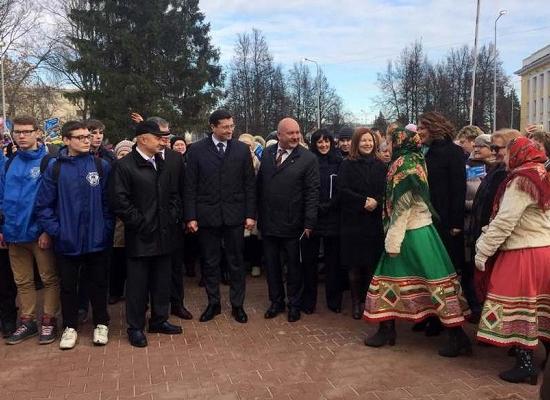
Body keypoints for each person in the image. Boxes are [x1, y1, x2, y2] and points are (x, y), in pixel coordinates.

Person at [364, 127, 470, 357]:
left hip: (409, 233)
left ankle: (455, 336)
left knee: (390, 281)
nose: (388, 146)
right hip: (422, 231)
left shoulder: (404, 165)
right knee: (432, 281)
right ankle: (390, 329)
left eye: (391, 142)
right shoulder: (415, 159)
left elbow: (403, 206)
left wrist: (392, 240)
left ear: (400, 142)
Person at [475, 136, 550, 385]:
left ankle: (525, 364)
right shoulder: (542, 173)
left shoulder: (521, 181)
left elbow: (506, 221)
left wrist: (483, 250)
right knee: (541, 308)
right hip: (544, 250)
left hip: (522, 252)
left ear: (517, 153)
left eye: (506, 152)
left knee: (520, 308)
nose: (503, 157)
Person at [36, 120, 114, 350]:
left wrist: (105, 228)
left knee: (99, 284)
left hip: (97, 239)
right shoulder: (55, 167)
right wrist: (57, 232)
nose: (86, 140)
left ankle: (101, 323)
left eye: (87, 136)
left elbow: (108, 204)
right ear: (67, 140)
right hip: (67, 241)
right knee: (68, 286)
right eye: (80, 137)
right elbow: (44, 205)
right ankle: (70, 327)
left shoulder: (101, 166)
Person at [110, 120, 182, 348]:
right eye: (158, 137)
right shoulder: (125, 166)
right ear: (142, 139)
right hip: (140, 237)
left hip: (164, 234)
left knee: (162, 282)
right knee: (137, 286)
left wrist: (171, 216)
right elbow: (119, 201)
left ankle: (160, 320)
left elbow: (173, 194)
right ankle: (135, 327)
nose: (163, 141)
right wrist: (141, 224)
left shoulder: (162, 163)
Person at [184, 110, 256, 324]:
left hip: (235, 216)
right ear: (213, 126)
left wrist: (250, 214)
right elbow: (190, 187)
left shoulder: (242, 150)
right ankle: (213, 304)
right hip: (207, 217)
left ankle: (237, 305)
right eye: (225, 126)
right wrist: (191, 216)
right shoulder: (196, 150)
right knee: (210, 262)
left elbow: (249, 185)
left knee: (236, 262)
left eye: (232, 126)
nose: (230, 130)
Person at [0, 115, 60, 345]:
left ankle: (48, 320)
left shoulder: (48, 161)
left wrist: (47, 231)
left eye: (26, 131)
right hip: (13, 234)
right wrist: (2, 228)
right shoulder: (10, 161)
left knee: (48, 279)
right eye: (17, 132)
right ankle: (28, 321)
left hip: (38, 234)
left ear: (37, 133)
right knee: (22, 281)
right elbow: (4, 198)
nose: (22, 136)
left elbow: (53, 200)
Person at [257, 117, 319, 323]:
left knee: (294, 268)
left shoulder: (308, 158)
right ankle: (276, 302)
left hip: (295, 225)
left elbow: (312, 193)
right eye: (290, 133)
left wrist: (309, 222)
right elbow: (259, 187)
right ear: (279, 135)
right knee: (272, 267)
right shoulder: (266, 154)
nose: (295, 136)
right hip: (269, 224)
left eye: (297, 132)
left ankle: (294, 304)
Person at [416, 111, 466, 336]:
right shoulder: (425, 153)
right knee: (428, 270)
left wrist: (456, 222)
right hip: (427, 219)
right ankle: (431, 315)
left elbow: (459, 188)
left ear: (433, 127)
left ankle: (449, 321)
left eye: (421, 127)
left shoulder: (453, 153)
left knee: (443, 273)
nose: (418, 132)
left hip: (445, 222)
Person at [338, 128, 387, 319]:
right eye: (363, 141)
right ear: (356, 143)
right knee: (354, 266)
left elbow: (386, 190)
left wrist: (376, 201)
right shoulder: (347, 165)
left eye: (370, 140)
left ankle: (369, 300)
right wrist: (362, 201)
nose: (367, 144)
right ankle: (356, 302)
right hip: (353, 222)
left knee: (370, 265)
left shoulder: (381, 165)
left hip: (373, 223)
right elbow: (342, 190)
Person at [147, 117, 193, 321]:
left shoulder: (175, 158)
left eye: (167, 134)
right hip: (149, 224)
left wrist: (186, 217)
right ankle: (155, 308)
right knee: (153, 269)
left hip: (173, 223)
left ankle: (177, 304)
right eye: (161, 135)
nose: (165, 138)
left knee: (175, 267)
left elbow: (185, 189)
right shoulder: (142, 158)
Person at [301, 129, 344, 314]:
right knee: (309, 263)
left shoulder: (339, 162)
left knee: (333, 263)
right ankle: (308, 301)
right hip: (313, 217)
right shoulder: (309, 161)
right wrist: (315, 208)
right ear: (314, 144)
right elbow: (304, 188)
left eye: (326, 141)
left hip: (333, 217)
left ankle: (334, 300)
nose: (323, 145)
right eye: (319, 142)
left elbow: (343, 188)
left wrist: (330, 205)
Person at [108, 140, 134, 305]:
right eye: (121, 154)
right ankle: (115, 292)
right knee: (116, 263)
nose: (124, 157)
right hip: (117, 225)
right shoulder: (112, 172)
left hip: (133, 224)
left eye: (127, 154)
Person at [238, 133, 262, 278]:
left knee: (254, 237)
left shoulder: (258, 162)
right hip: (237, 203)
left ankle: (255, 264)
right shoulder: (233, 159)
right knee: (238, 238)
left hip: (253, 203)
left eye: (248, 145)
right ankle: (241, 264)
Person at [0, 151, 17, 339]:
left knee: (4, 280)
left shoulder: (8, 165)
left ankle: (8, 317)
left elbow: (8, 200)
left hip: (5, 227)